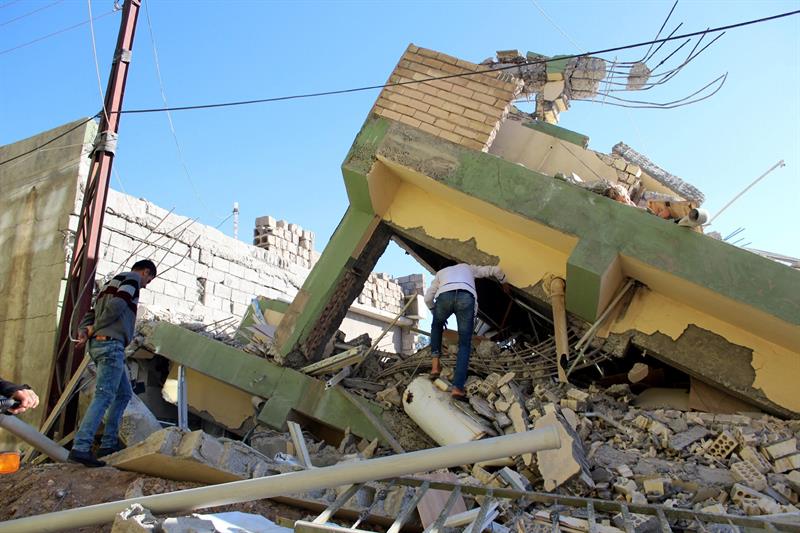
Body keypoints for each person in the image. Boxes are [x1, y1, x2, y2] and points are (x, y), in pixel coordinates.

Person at [69, 259, 157, 467]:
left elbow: (91, 311)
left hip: (100, 345)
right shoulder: (132, 279)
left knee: (124, 394)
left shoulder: (112, 282)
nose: (146, 285)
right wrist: (95, 328)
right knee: (104, 396)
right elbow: (117, 306)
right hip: (110, 345)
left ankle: (108, 444)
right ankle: (81, 447)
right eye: (149, 280)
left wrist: (85, 330)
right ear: (145, 272)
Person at [424, 263, 509, 401]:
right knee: (464, 344)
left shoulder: (441, 272)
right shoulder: (469, 268)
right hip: (466, 298)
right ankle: (457, 387)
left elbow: (428, 298)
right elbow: (496, 270)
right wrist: (504, 282)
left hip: (444, 296)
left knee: (437, 327)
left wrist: (435, 312)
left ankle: (435, 367)